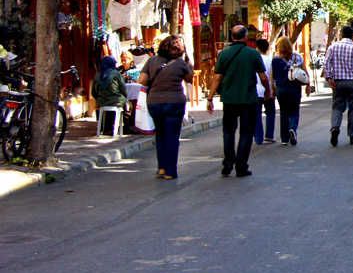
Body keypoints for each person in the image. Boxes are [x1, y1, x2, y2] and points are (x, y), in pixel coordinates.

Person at [206, 26, 271, 178]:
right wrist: (268, 90)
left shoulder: (224, 54)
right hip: (248, 99)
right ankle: (241, 166)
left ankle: (228, 161)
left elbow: (217, 77)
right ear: (246, 37)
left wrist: (210, 98)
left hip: (229, 99)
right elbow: (263, 76)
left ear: (232, 37)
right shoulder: (253, 53)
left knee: (228, 131)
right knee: (246, 133)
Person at [138, 36, 193, 180]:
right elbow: (190, 78)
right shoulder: (180, 63)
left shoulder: (151, 61)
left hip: (154, 102)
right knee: (172, 136)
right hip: (174, 102)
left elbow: (142, 80)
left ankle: (161, 168)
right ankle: (170, 171)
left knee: (160, 134)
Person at [272, 36, 310, 146]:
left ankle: (284, 138)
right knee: (294, 111)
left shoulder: (275, 59)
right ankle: (293, 129)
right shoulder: (297, 58)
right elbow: (305, 72)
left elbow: (272, 76)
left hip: (281, 88)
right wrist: (308, 85)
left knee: (284, 113)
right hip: (294, 88)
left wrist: (272, 89)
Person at [93, 55, 128, 135]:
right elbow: (124, 90)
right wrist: (125, 97)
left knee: (105, 108)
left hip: (101, 101)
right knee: (128, 105)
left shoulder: (97, 75)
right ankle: (126, 128)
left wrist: (99, 98)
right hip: (116, 101)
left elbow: (93, 92)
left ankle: (105, 128)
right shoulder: (116, 74)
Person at [253, 39, 275, 145]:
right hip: (268, 90)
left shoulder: (253, 60)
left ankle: (258, 137)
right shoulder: (270, 60)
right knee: (270, 112)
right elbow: (272, 76)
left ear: (257, 48)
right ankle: (269, 135)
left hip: (256, 91)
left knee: (256, 114)